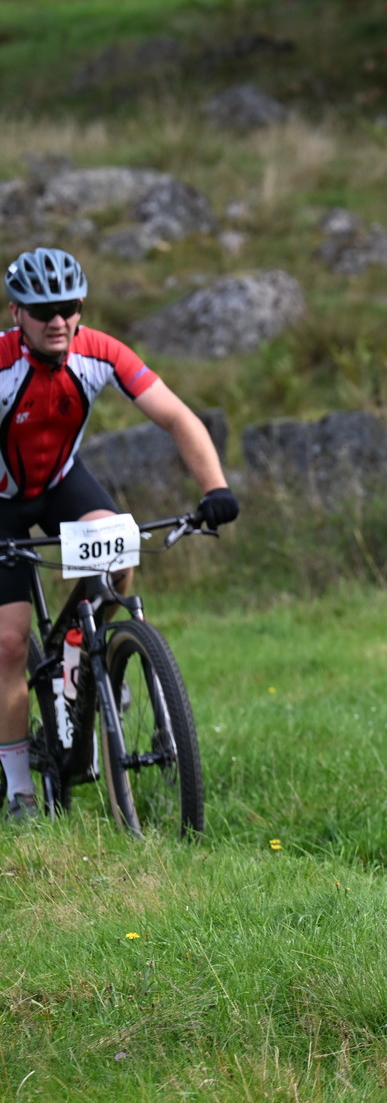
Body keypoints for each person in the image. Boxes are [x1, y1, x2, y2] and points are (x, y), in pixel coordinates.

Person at [0, 248, 239, 822]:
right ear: (17, 314)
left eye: (69, 307)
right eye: (43, 311)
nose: (58, 320)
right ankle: (19, 790)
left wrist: (215, 488)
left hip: (59, 481)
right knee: (8, 641)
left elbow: (178, 417)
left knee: (118, 554)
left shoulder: (100, 352)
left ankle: (82, 657)